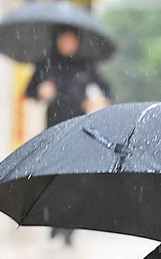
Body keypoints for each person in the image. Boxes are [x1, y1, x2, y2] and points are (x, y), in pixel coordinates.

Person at [26, 27, 111, 243]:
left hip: (79, 127)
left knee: (75, 178)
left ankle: (70, 226)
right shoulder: (46, 64)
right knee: (53, 177)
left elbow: (106, 90)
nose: (67, 43)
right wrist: (40, 91)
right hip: (53, 128)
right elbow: (29, 92)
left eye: (71, 40)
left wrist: (98, 101)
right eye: (63, 39)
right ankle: (54, 222)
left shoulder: (86, 65)